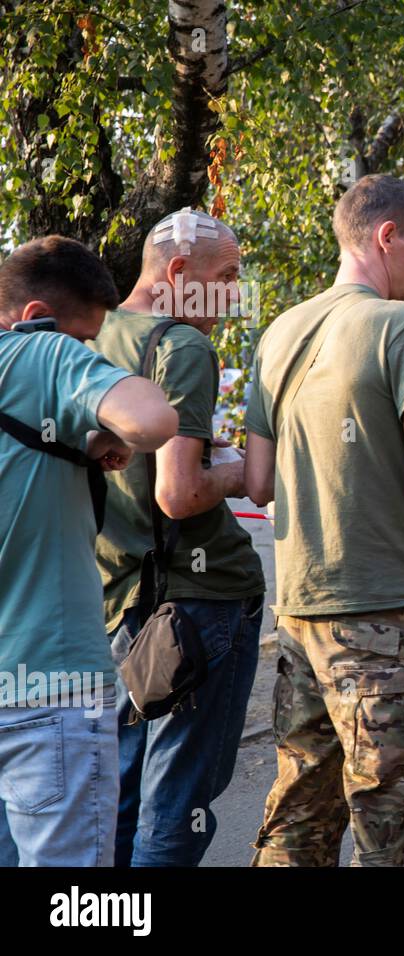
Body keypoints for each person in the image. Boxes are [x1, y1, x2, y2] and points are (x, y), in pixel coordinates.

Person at [244, 174, 404, 866]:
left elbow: (257, 481)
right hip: (389, 616)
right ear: (386, 236)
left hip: (302, 609)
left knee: (298, 816)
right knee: (382, 823)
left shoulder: (281, 330)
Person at [89, 208, 266, 866]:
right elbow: (179, 491)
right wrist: (243, 472)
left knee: (124, 791)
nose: (233, 294)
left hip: (120, 602)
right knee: (182, 799)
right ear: (180, 273)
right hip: (197, 602)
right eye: (228, 277)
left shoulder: (92, 337)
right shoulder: (182, 345)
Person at [0, 236, 178, 866]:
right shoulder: (37, 351)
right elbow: (152, 419)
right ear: (35, 318)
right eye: (83, 341)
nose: (84, 357)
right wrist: (112, 418)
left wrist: (87, 435)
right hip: (47, 687)